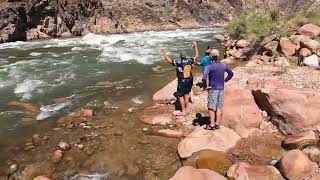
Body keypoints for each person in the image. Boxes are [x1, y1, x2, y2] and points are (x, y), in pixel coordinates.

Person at [160, 41, 199, 116]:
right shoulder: (190, 60)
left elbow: (169, 61)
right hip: (189, 79)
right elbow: (197, 55)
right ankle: (187, 109)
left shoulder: (178, 61)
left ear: (180, 56)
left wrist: (164, 53)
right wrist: (196, 46)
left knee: (180, 96)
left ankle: (183, 111)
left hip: (182, 81)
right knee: (187, 94)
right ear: (185, 55)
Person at [202, 49, 233, 130]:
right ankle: (217, 124)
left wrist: (205, 87)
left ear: (211, 57)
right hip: (221, 89)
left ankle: (211, 125)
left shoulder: (209, 67)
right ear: (218, 56)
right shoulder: (223, 65)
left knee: (211, 107)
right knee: (219, 107)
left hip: (213, 89)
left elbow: (204, 78)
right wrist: (225, 80)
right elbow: (231, 73)